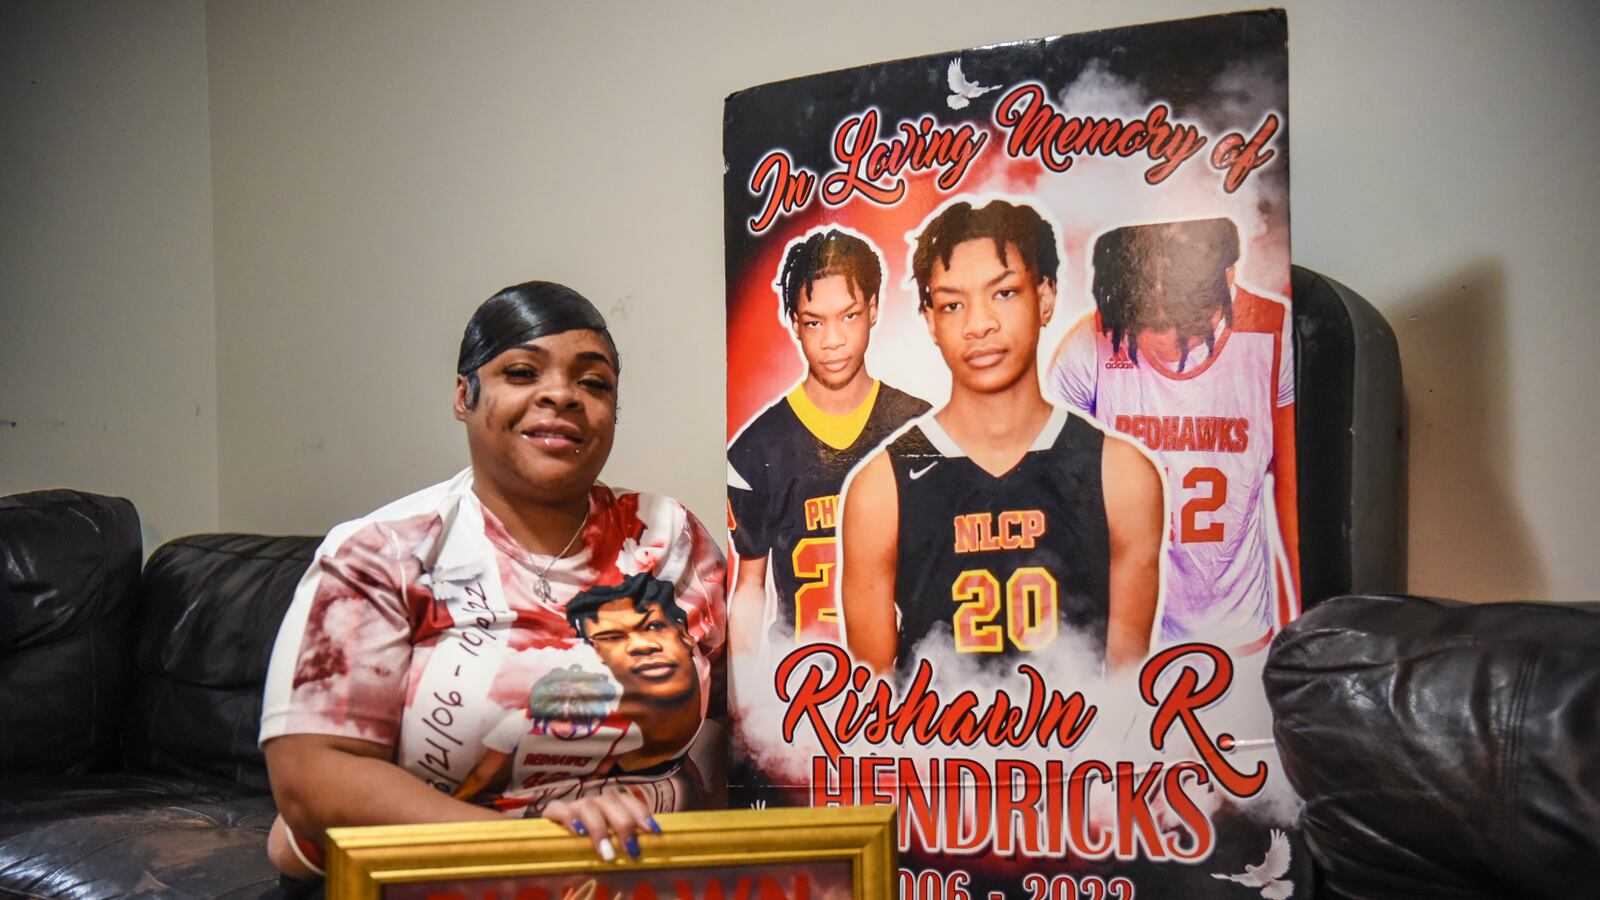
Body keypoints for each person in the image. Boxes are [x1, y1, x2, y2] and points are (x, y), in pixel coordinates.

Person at [258, 282, 726, 884]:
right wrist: (536, 847)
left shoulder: (668, 535)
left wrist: (705, 849)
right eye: (523, 372)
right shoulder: (386, 551)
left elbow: (718, 722)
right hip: (428, 880)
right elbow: (311, 778)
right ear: (464, 395)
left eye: (594, 383)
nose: (562, 395)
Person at [839, 199, 1163, 675]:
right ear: (930, 320)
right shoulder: (880, 488)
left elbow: (1125, 700)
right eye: (952, 304)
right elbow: (872, 699)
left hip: (1079, 746)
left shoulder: (1122, 474)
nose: (979, 324)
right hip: (933, 746)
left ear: (1046, 296)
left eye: (1004, 293)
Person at [1049, 218, 1300, 654]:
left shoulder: (1273, 332)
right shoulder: (1087, 346)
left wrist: (1304, 625)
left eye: (1181, 328)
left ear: (1228, 279)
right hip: (1122, 630)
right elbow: (1048, 494)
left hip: (1234, 627)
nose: (1161, 342)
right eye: (1144, 326)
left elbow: (1293, 491)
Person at [726, 228, 928, 653]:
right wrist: (746, 702)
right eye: (815, 322)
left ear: (873, 309)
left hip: (911, 697)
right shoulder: (756, 448)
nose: (833, 340)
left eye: (848, 316)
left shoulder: (921, 429)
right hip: (801, 690)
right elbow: (749, 589)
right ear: (794, 323)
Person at [452, 573, 705, 807]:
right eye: (612, 637)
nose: (641, 645)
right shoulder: (519, 725)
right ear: (595, 653)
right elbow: (480, 779)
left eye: (652, 626)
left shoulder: (620, 731)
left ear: (682, 632)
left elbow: (598, 776)